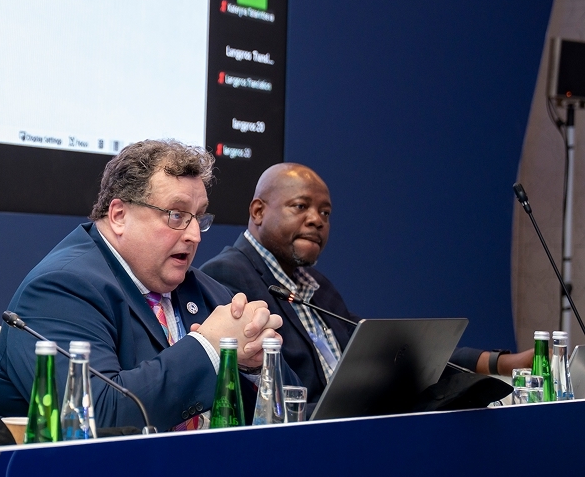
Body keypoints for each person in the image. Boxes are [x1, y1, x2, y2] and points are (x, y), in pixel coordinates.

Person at [0, 139, 286, 432]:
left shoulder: (204, 290)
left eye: (198, 217)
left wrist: (251, 364)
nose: (194, 235)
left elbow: (286, 409)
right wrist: (209, 347)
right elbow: (95, 420)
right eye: (176, 215)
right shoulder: (59, 289)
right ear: (119, 215)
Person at [200, 163, 533, 401]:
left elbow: (387, 348)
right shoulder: (227, 274)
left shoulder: (316, 286)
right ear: (258, 211)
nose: (316, 220)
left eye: (325, 213)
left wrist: (499, 363)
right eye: (300, 206)